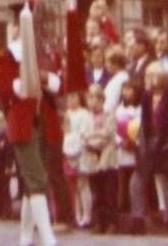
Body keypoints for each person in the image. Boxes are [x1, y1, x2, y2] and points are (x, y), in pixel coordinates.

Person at [0, 7, 61, 246]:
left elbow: (59, 83)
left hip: (46, 119)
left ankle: (25, 237)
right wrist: (27, 79)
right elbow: (3, 90)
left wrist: (44, 78)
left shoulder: (46, 52)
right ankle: (47, 237)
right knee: (37, 179)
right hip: (22, 121)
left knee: (32, 181)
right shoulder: (7, 55)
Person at [129, 61, 168, 234]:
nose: (147, 79)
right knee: (135, 183)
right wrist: (140, 142)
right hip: (147, 143)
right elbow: (144, 122)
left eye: (150, 76)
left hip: (164, 144)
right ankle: (138, 219)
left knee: (166, 184)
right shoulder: (146, 97)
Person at [82, 83, 118, 233]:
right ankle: (99, 222)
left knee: (109, 192)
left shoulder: (109, 115)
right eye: (90, 97)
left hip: (107, 158)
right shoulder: (86, 117)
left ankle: (112, 223)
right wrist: (95, 136)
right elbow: (84, 134)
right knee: (96, 193)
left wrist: (94, 136)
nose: (92, 101)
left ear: (102, 100)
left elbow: (108, 134)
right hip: (92, 158)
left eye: (96, 98)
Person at [63, 91, 93, 228]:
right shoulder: (67, 114)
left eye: (74, 96)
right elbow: (65, 130)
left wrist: (78, 143)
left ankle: (87, 215)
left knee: (83, 184)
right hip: (69, 149)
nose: (71, 100)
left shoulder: (84, 114)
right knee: (72, 185)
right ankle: (77, 214)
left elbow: (85, 132)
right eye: (69, 97)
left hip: (81, 150)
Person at [114, 80, 142, 213]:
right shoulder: (119, 109)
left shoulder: (139, 109)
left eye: (130, 89)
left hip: (135, 148)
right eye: (124, 89)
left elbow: (141, 128)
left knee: (135, 179)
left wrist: (133, 142)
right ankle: (121, 207)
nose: (126, 92)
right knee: (121, 181)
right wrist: (120, 142)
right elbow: (114, 128)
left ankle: (136, 208)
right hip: (121, 149)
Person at [102, 45, 130, 114]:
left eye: (107, 62)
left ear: (116, 63)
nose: (106, 65)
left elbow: (110, 105)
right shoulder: (117, 78)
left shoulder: (120, 79)